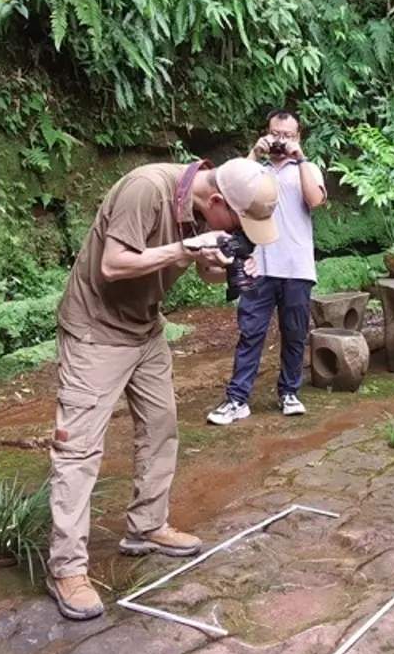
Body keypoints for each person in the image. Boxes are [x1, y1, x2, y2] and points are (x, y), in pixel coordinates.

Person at [47, 157, 279, 620]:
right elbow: (114, 265)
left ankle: (146, 527)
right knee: (79, 451)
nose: (246, 231)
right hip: (96, 331)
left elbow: (203, 268)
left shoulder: (199, 207)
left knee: (161, 428)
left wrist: (226, 263)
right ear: (216, 202)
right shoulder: (146, 189)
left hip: (145, 328)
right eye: (240, 224)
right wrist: (186, 249)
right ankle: (66, 568)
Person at [207, 109, 327, 425]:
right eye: (276, 133)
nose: (281, 140)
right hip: (257, 263)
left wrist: (299, 159)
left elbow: (315, 201)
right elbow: (232, 192)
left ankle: (289, 392)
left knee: (294, 333)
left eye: (288, 135)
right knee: (251, 333)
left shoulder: (309, 168)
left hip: (296, 266)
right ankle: (237, 399)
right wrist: (254, 152)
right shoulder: (254, 170)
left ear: (298, 137)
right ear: (267, 132)